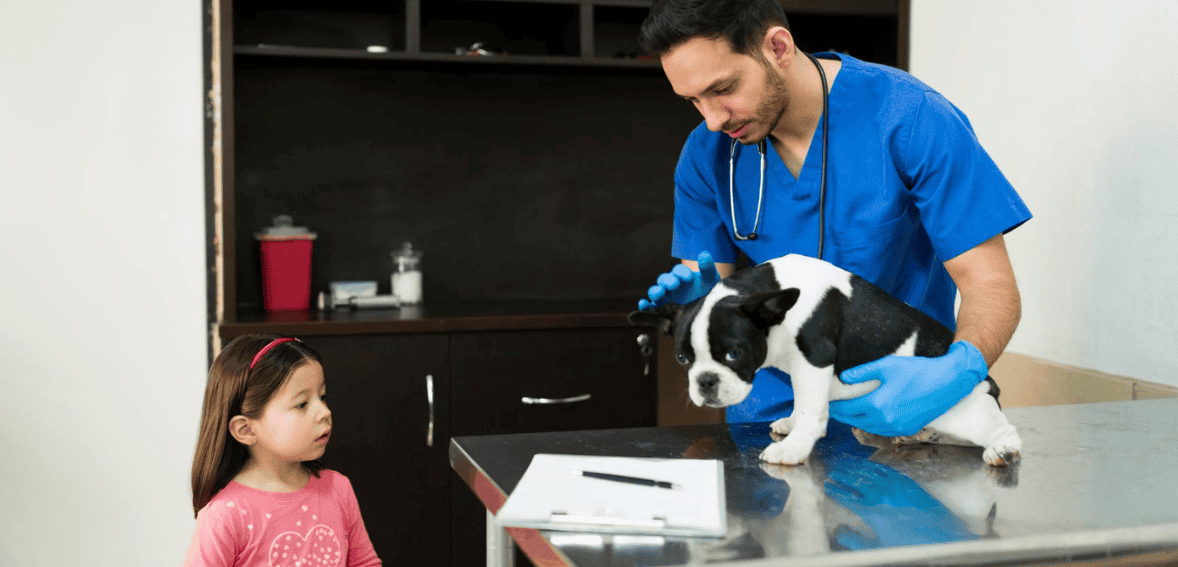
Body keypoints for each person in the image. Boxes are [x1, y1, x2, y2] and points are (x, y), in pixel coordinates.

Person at [636, 0, 1032, 437]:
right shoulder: (706, 155)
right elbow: (708, 280)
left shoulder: (913, 118)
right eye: (693, 100)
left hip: (905, 407)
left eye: (723, 88)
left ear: (778, 47)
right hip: (771, 420)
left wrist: (957, 372)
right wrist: (700, 302)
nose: (712, 120)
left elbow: (990, 286)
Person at [183, 335, 381, 567]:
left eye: (322, 397)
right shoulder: (225, 514)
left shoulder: (338, 489)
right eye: (302, 404)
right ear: (246, 429)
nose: (324, 412)